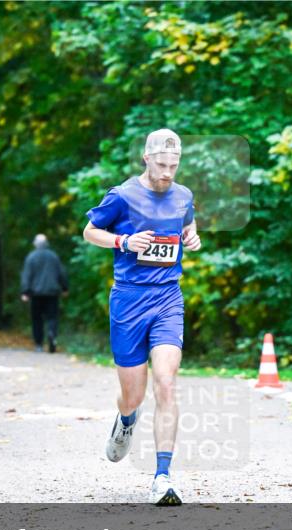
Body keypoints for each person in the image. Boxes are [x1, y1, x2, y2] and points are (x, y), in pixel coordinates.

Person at [82, 128, 201, 505]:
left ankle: (162, 476)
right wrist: (122, 241)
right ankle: (126, 419)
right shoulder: (122, 196)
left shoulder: (183, 195)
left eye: (175, 165)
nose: (168, 172)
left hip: (168, 297)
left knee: (165, 382)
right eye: (162, 164)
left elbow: (187, 224)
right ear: (146, 159)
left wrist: (192, 236)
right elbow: (89, 231)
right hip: (129, 301)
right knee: (133, 395)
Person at [20, 233, 68, 353]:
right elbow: (61, 273)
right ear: (47, 244)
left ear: (35, 244)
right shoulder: (53, 256)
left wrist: (25, 292)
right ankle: (52, 334)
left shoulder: (31, 257)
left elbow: (26, 275)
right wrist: (65, 288)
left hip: (36, 294)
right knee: (52, 317)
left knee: (37, 319)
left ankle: (39, 344)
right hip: (52, 293)